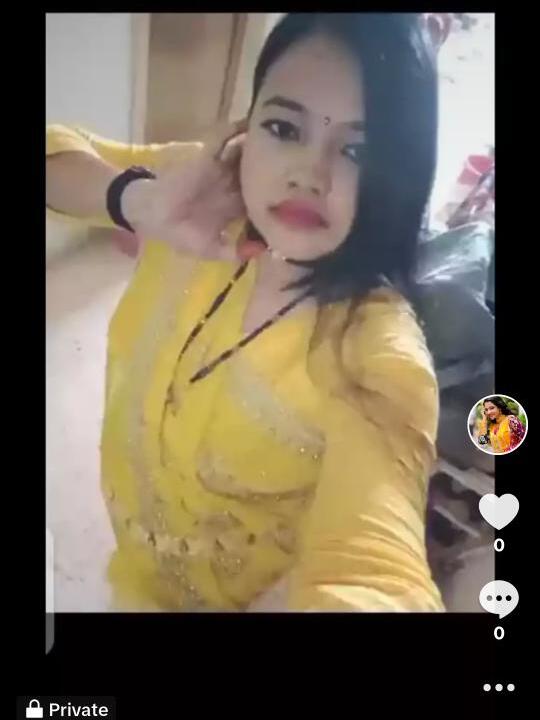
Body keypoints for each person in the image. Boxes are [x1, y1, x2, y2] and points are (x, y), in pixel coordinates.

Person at [46, 13, 443, 611]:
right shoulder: (197, 191)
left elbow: (378, 574)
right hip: (127, 567)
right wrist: (140, 202)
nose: (309, 174)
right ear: (245, 129)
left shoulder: (377, 355)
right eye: (283, 127)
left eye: (358, 150)